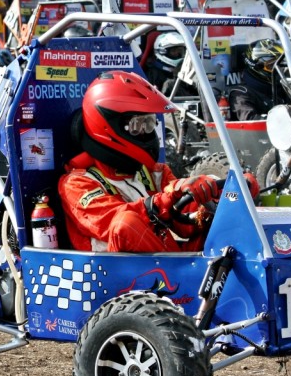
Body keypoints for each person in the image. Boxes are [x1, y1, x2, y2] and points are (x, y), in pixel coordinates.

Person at [58, 70, 226, 253]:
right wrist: (166, 199)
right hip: (111, 274)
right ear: (106, 126)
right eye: (137, 125)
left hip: (164, 262)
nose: (146, 132)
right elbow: (117, 223)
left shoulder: (153, 172)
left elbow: (185, 225)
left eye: (149, 123)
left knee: (227, 207)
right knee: (126, 222)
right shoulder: (76, 184)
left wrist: (215, 195)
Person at [226, 39, 288, 121]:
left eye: (280, 65)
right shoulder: (240, 94)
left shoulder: (282, 87)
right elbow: (251, 122)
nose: (278, 69)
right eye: (272, 65)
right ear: (256, 66)